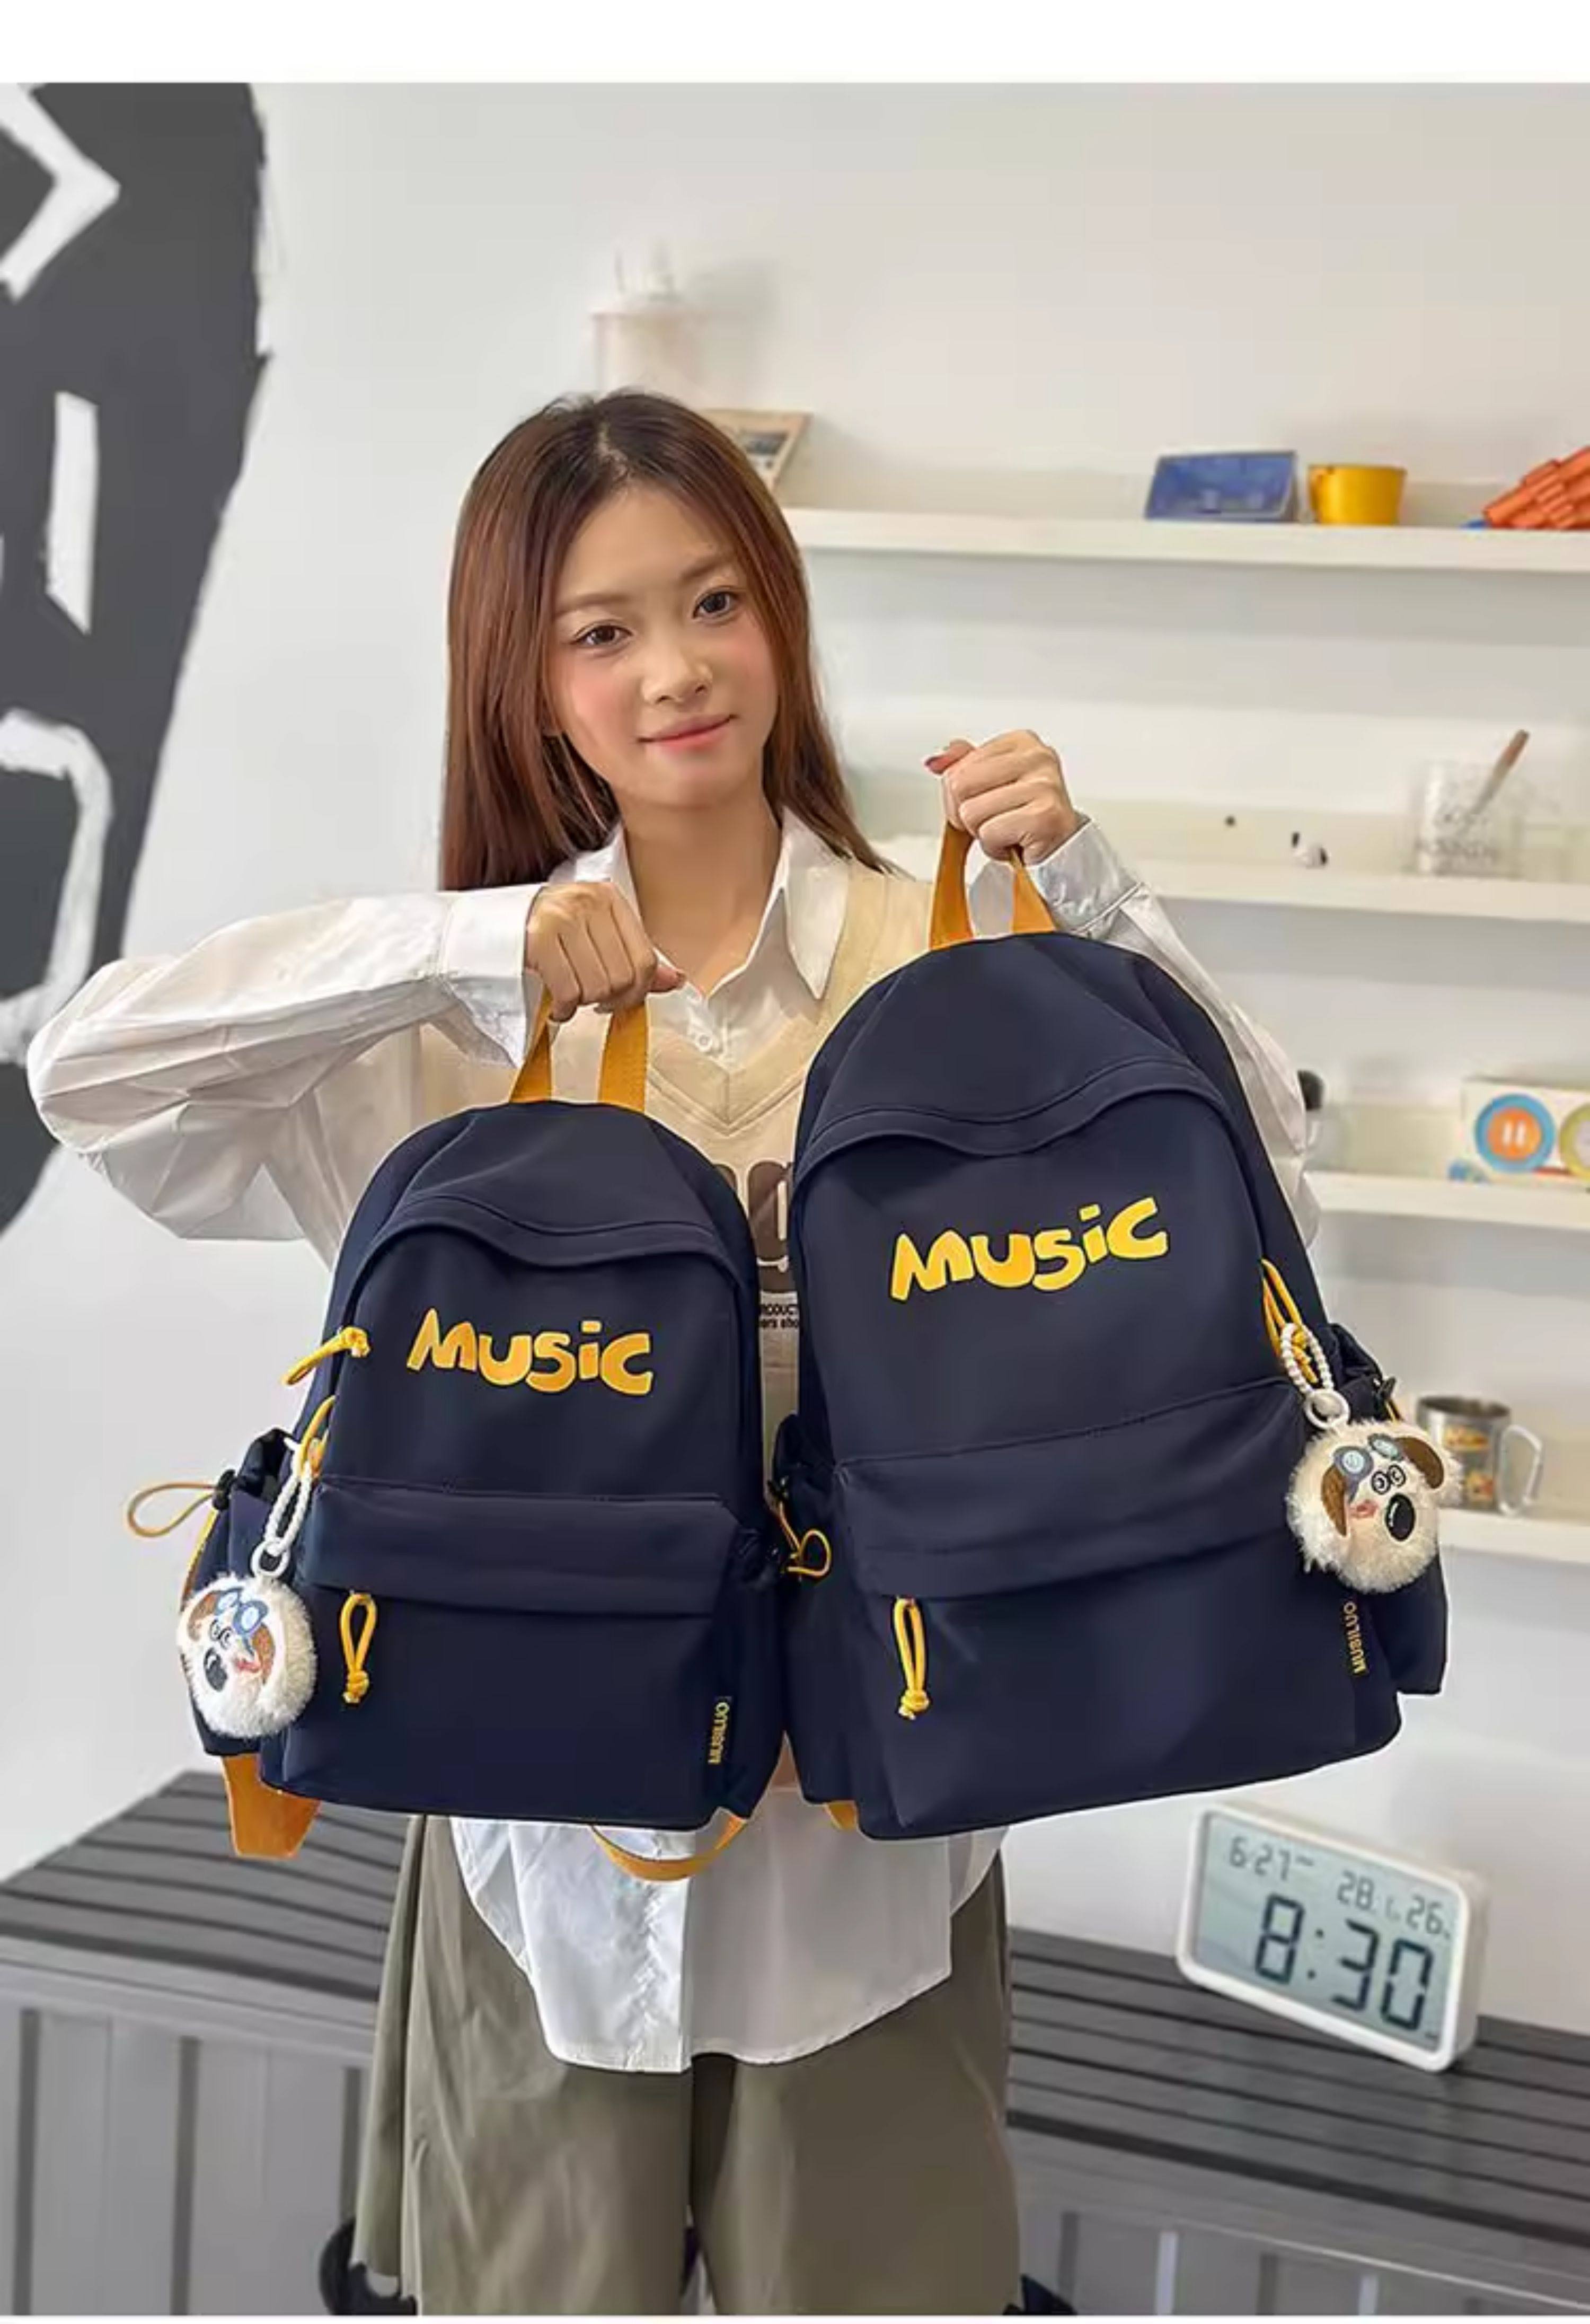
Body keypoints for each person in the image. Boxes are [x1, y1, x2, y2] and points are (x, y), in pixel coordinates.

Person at [28, 389, 1314, 2316]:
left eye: (715, 602)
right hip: (533, 1855)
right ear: (525, 681)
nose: (676, 671)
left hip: (877, 1856)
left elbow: (1270, 1177)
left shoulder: (948, 959)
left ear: (780, 614)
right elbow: (87, 1075)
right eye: (601, 631)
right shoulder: (444, 1026)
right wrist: (466, 947)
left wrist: (1100, 897)